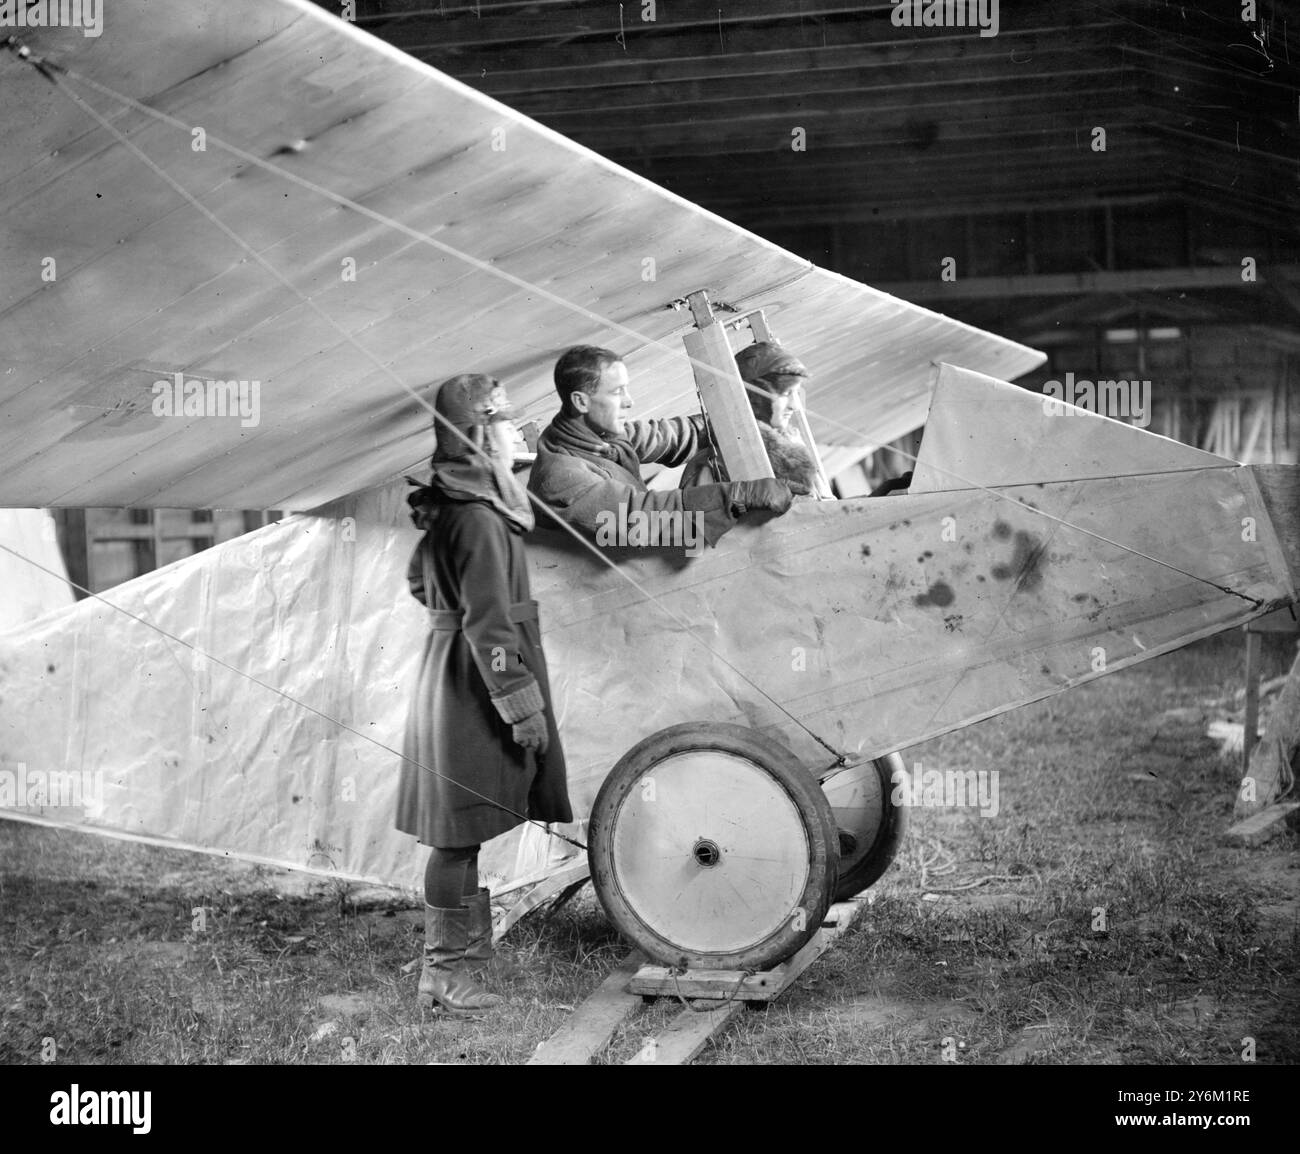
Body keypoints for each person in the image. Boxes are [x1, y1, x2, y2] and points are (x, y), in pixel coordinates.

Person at [397, 373, 572, 1015]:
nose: (519, 434)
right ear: (479, 433)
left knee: (464, 831)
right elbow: (489, 623)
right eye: (507, 422)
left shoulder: (460, 505)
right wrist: (521, 705)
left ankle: (464, 965)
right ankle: (442, 975)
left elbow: (422, 582)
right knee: (455, 835)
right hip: (474, 686)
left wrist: (452, 614)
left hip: (456, 675)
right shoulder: (474, 515)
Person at [527, 345, 802, 548]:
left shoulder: (594, 435)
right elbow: (640, 516)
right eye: (616, 392)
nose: (629, 401)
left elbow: (668, 435)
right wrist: (739, 494)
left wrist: (742, 411)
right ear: (581, 402)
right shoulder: (560, 475)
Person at [679, 341, 821, 492]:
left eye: (796, 394)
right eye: (786, 394)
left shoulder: (793, 444)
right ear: (753, 397)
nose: (795, 406)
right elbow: (697, 514)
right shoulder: (713, 464)